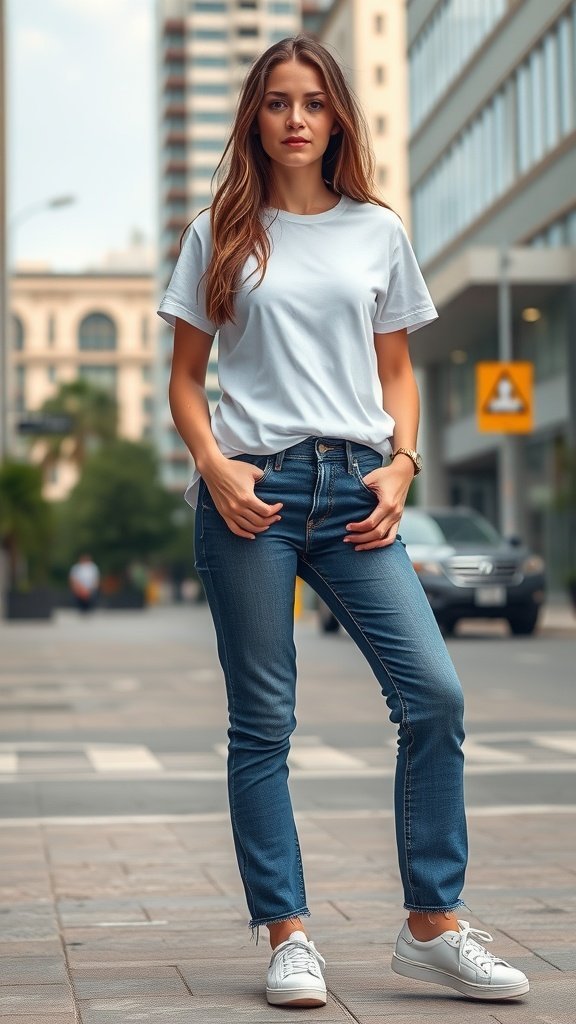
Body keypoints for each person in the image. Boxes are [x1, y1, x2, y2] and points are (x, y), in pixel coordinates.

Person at [158, 35, 529, 1009]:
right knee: (263, 723)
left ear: (337, 120)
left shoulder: (377, 230)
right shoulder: (219, 232)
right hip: (255, 496)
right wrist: (215, 466)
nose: (294, 118)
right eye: (277, 101)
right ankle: (288, 935)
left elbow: (397, 369)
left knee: (435, 697)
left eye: (312, 102)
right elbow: (186, 380)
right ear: (255, 116)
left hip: (358, 492)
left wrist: (403, 464)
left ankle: (432, 925)